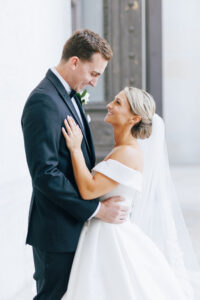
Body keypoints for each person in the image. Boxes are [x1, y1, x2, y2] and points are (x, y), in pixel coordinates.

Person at [21, 29, 130, 299]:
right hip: (56, 231)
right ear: (74, 62)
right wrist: (95, 209)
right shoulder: (43, 101)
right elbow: (45, 174)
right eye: (93, 74)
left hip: (72, 226)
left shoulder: (67, 95)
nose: (94, 83)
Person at [60, 86, 194, 300]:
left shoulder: (128, 153)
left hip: (110, 237)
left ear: (134, 118)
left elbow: (88, 190)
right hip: (102, 233)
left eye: (118, 103)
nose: (109, 105)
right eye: (113, 100)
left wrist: (75, 149)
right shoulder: (121, 149)